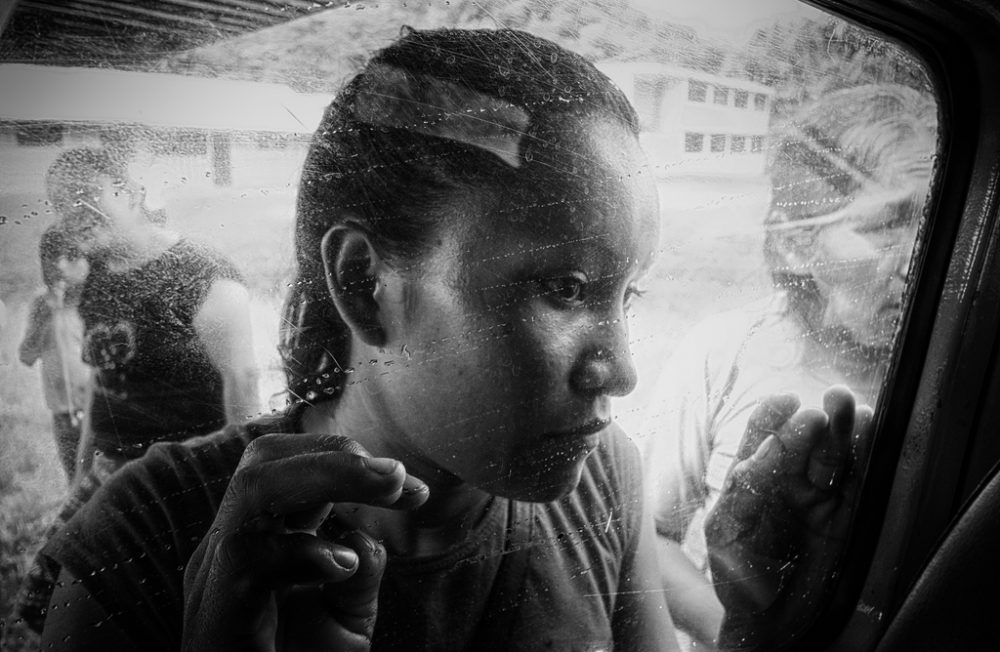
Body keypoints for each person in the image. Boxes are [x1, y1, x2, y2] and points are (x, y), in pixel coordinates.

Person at [38, 27, 869, 652]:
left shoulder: (607, 478)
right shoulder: (147, 534)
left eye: (627, 291)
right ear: (367, 284)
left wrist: (763, 632)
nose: (621, 372)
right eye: (564, 288)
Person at [639, 83, 936, 650]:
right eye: (884, 226)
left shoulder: (951, 371)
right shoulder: (723, 352)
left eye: (930, 219)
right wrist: (757, 630)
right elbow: (652, 534)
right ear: (797, 246)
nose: (917, 254)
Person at [13, 145, 262, 634]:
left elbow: (243, 387)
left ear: (132, 194)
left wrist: (237, 504)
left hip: (181, 476)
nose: (73, 215)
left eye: (87, 196)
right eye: (62, 204)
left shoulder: (201, 273)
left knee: (174, 614)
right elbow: (101, 387)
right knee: (48, 605)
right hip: (109, 467)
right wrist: (80, 476)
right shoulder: (97, 277)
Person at [17, 225, 92, 479]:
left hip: (96, 409)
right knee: (75, 480)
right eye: (51, 257)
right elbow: (26, 356)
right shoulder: (41, 303)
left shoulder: (92, 301)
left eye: (69, 257)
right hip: (63, 415)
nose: (59, 266)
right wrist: (44, 316)